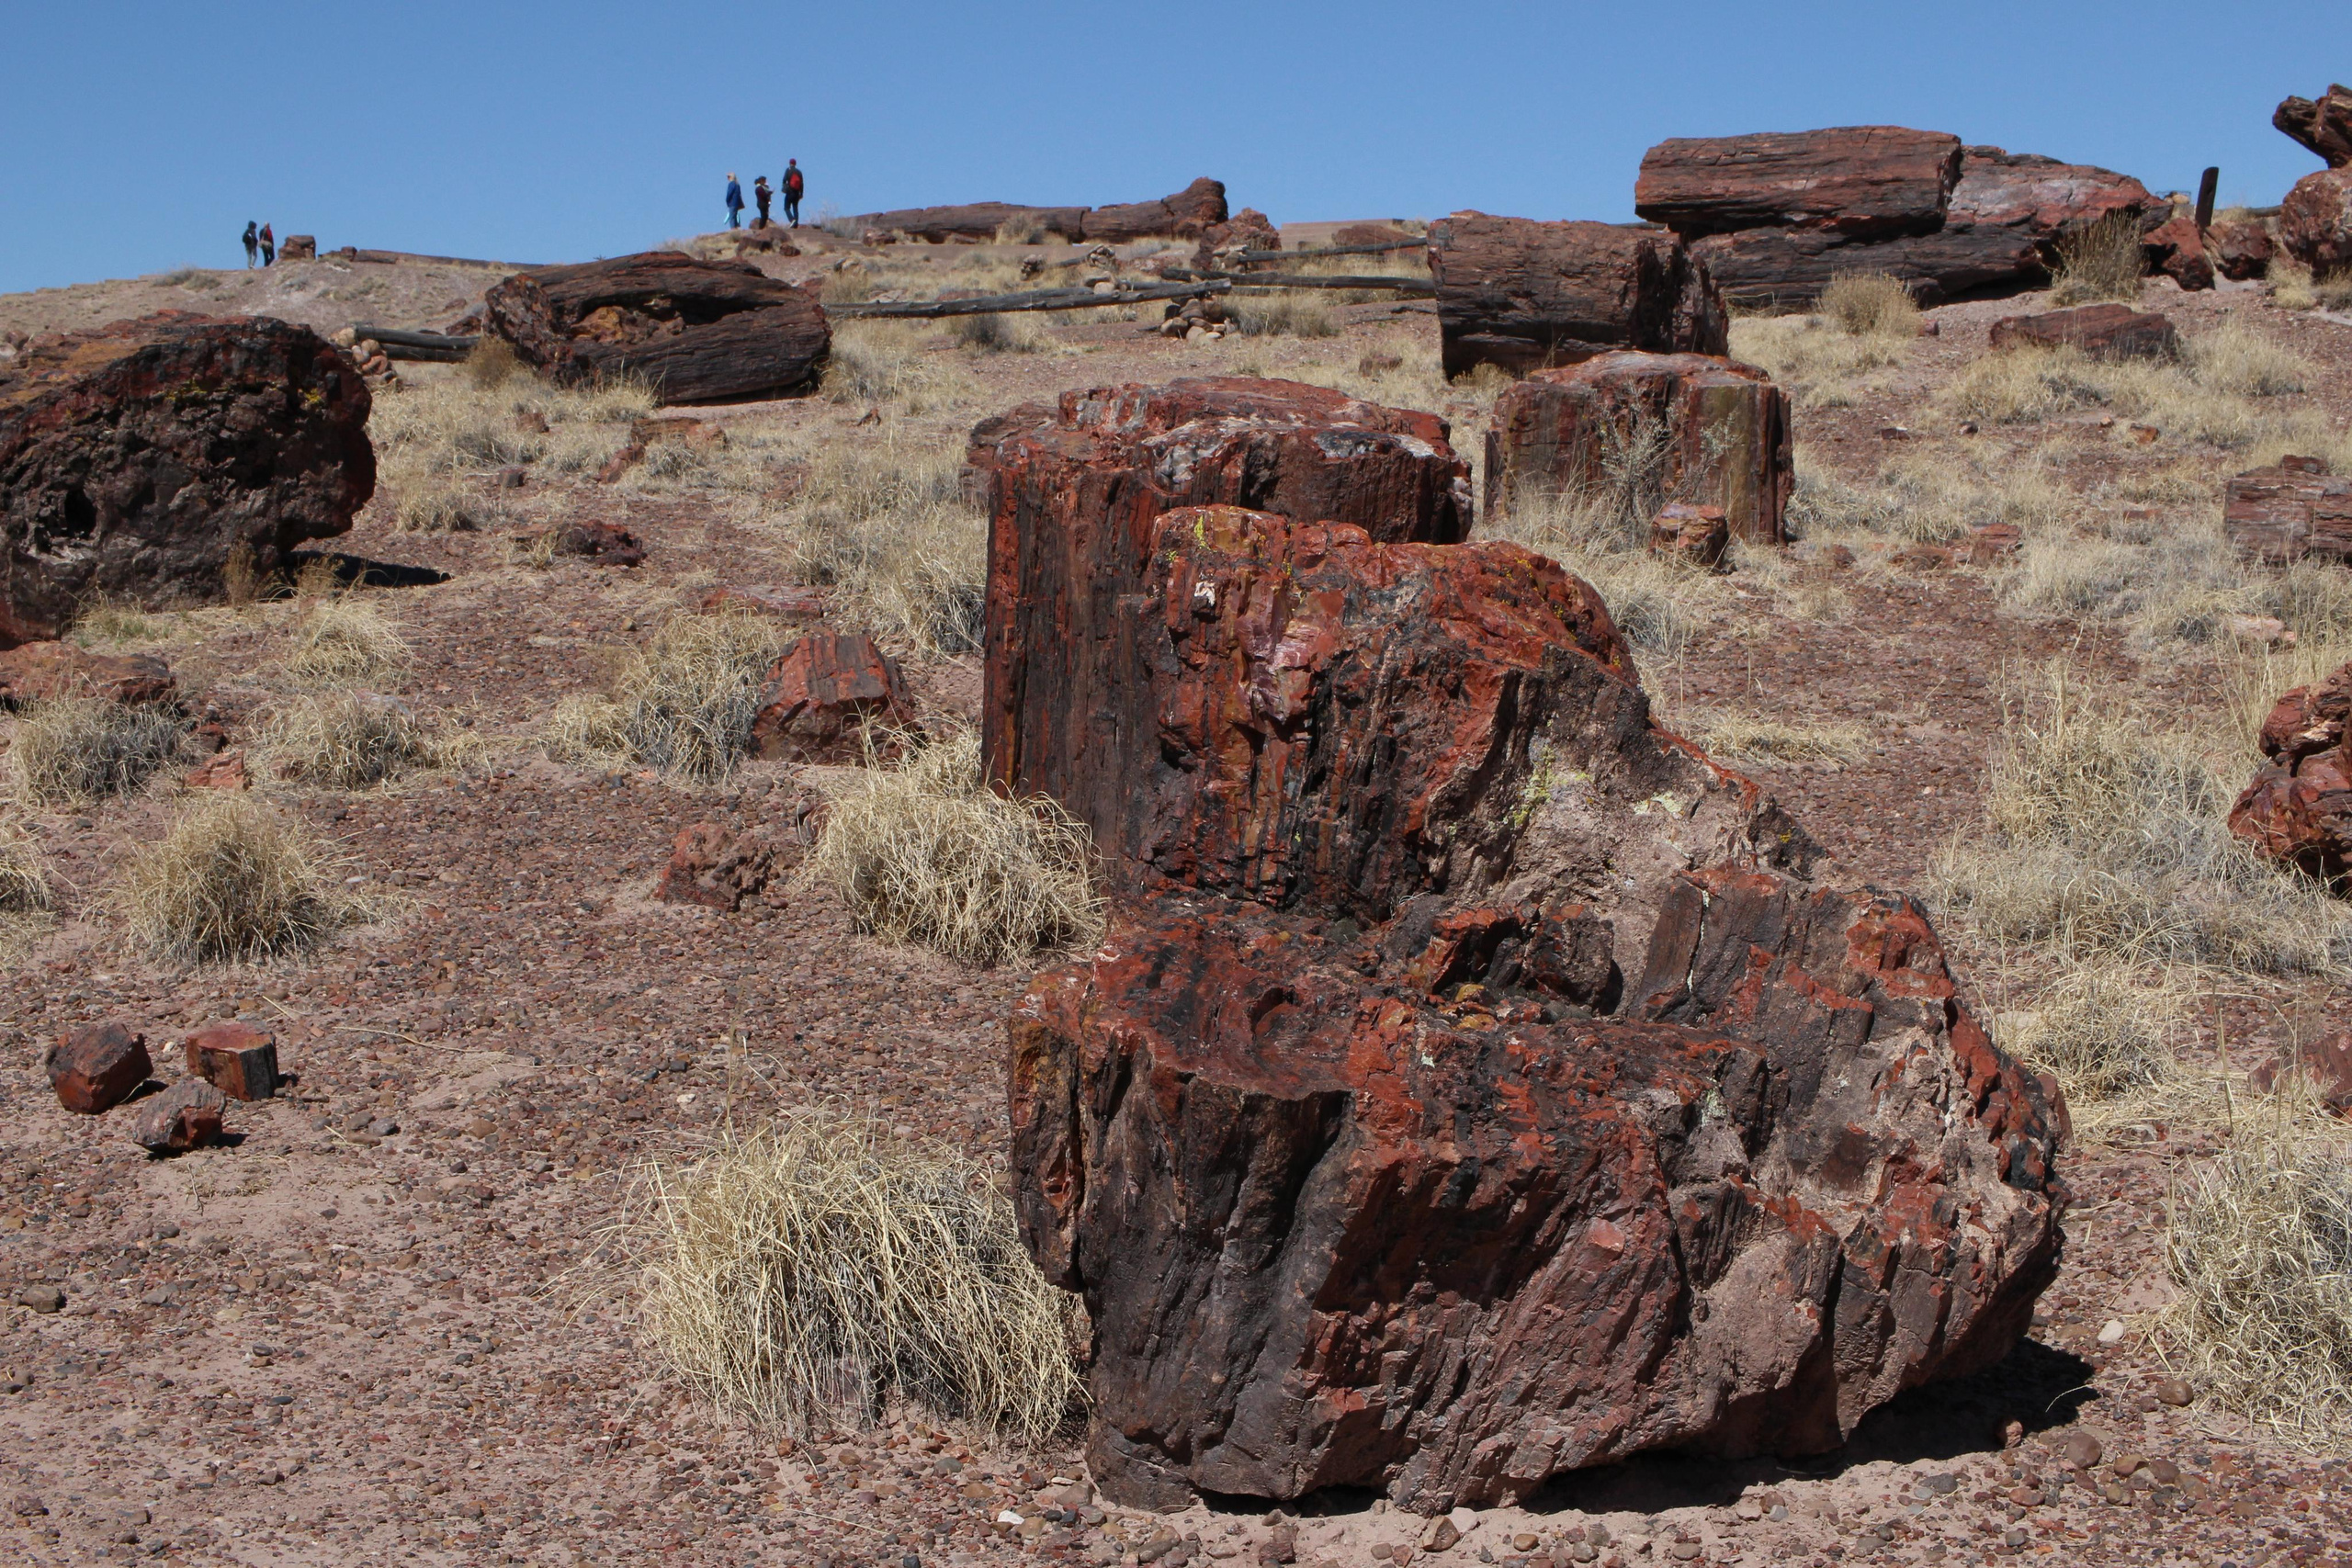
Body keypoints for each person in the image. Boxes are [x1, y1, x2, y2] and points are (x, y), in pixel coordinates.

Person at [783, 159, 804, 228]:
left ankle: (792, 220)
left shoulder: (788, 170)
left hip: (790, 191)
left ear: (790, 163)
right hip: (797, 192)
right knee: (795, 208)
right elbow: (801, 183)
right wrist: (801, 194)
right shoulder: (799, 172)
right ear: (795, 164)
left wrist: (784, 188)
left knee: (786, 207)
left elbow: (784, 180)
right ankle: (796, 224)